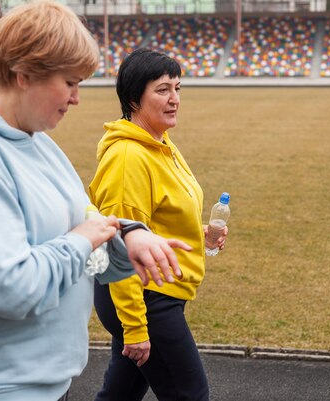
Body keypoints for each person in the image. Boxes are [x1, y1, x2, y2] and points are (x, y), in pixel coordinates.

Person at [0, 1, 187, 401]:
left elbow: (83, 223)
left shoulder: (36, 141)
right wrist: (83, 239)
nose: (76, 99)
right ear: (24, 74)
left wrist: (127, 237)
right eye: (70, 82)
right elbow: (3, 287)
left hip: (43, 383)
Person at [89, 48, 228, 401]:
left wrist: (203, 235)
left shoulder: (160, 144)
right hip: (146, 299)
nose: (175, 99)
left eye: (177, 88)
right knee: (190, 395)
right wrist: (135, 327)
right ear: (135, 97)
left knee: (119, 394)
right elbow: (117, 244)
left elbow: (159, 221)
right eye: (162, 89)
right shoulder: (128, 157)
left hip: (155, 293)